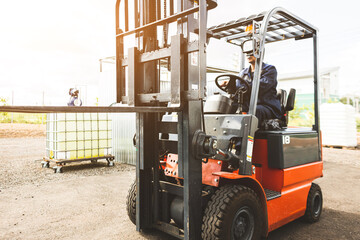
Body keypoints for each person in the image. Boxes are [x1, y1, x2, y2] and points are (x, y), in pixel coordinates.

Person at [232, 53, 282, 126]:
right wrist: (231, 85)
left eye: (251, 53)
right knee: (229, 106)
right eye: (247, 54)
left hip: (266, 105)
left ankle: (247, 136)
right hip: (247, 105)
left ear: (260, 53)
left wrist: (242, 86)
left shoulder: (269, 70)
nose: (248, 55)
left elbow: (260, 86)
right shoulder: (243, 72)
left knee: (255, 110)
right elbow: (238, 86)